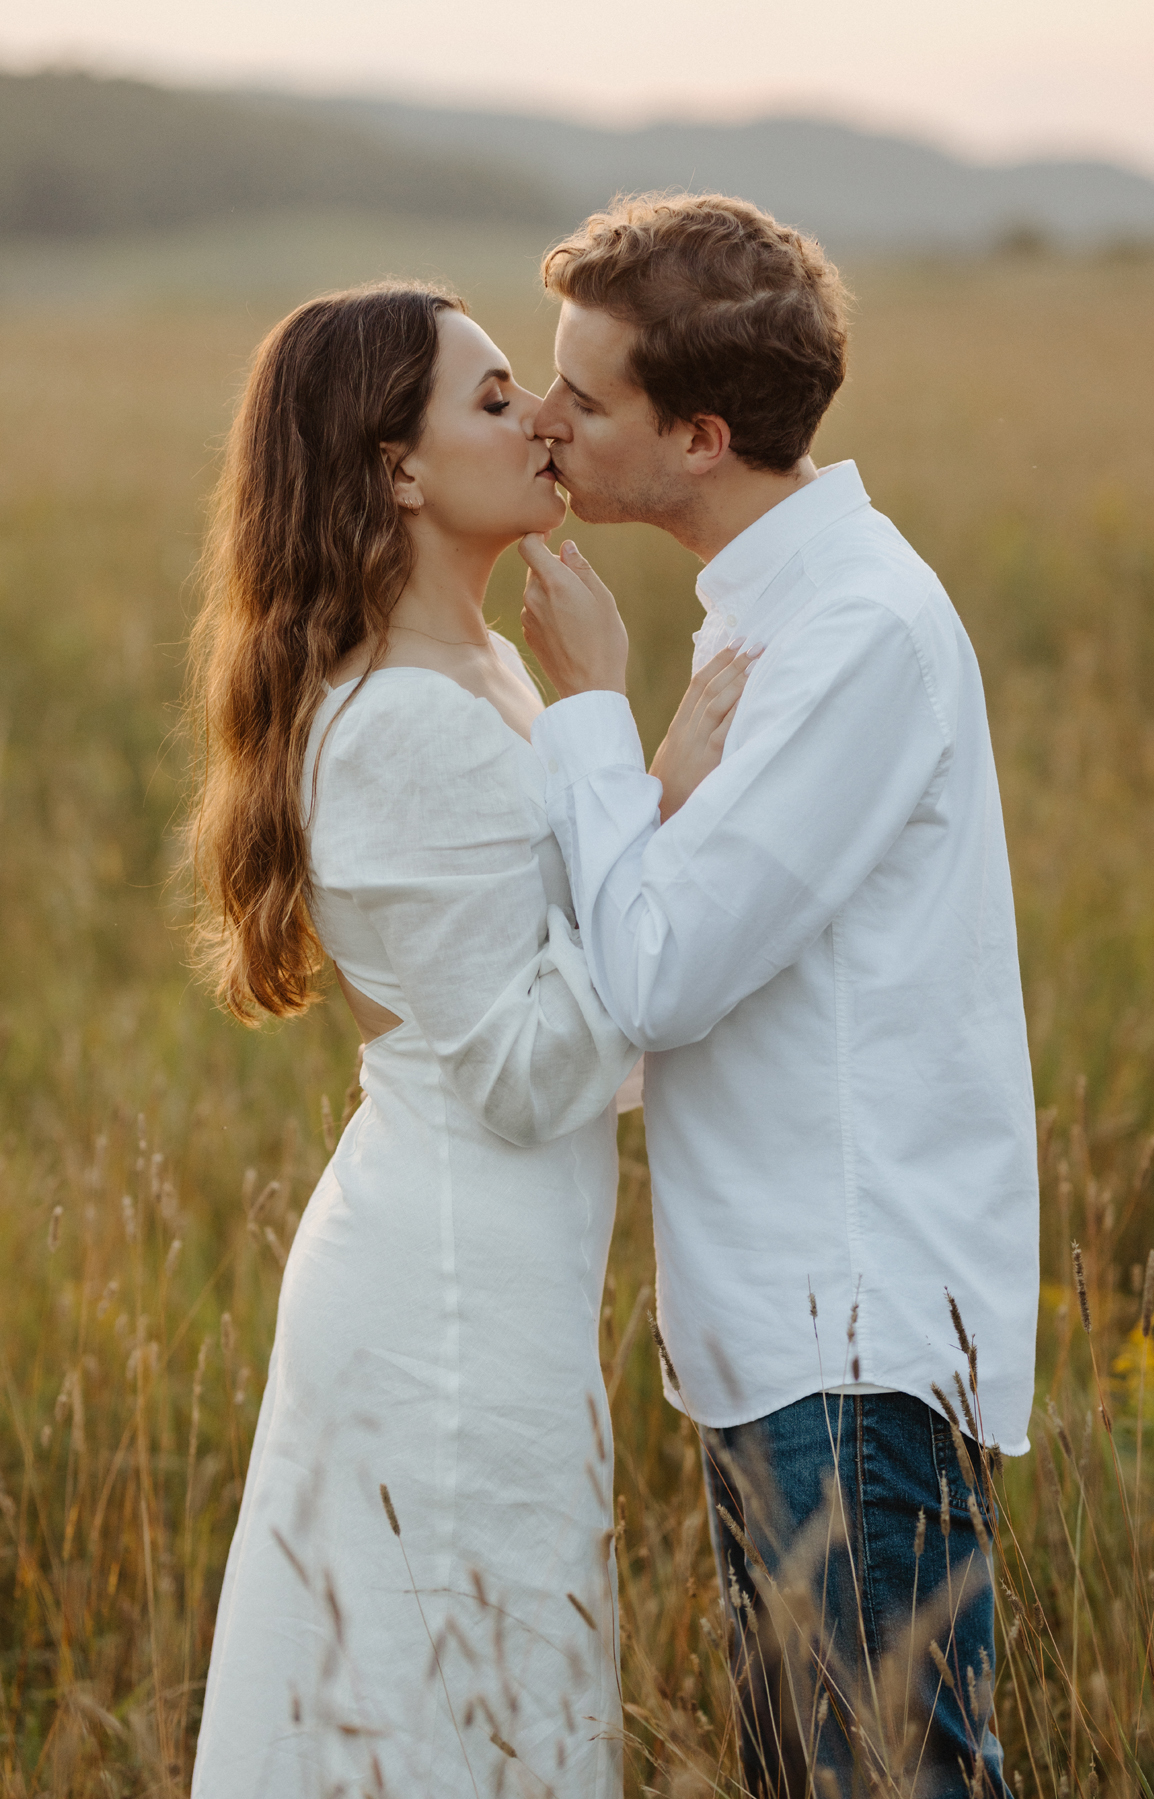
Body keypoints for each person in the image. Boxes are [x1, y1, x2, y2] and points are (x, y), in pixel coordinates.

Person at [184, 282, 754, 1799]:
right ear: (400, 471)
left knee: (497, 1680)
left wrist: (607, 758)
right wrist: (664, 798)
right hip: (447, 1283)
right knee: (454, 1693)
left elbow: (568, 955)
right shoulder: (402, 727)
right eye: (494, 398)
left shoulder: (486, 674)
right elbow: (524, 1067)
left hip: (505, 1252)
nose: (542, 420)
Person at [518, 194, 1038, 1798]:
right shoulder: (775, 614)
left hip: (853, 1340)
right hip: (788, 1335)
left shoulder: (853, 635)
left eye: (584, 399)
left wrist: (599, 720)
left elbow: (661, 974)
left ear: (701, 435)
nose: (545, 422)